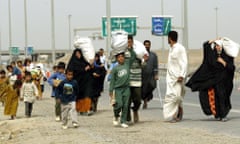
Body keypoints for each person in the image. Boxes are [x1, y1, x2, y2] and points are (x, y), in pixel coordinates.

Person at [186, 39, 235, 122]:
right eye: (216, 46)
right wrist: (213, 40)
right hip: (214, 81)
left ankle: (223, 115)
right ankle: (218, 114)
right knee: (214, 97)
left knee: (223, 97)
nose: (217, 47)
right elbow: (205, 45)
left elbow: (232, 68)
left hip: (224, 81)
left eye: (219, 45)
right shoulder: (212, 56)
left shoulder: (227, 56)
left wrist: (223, 62)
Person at [109, 35, 136, 128]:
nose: (121, 58)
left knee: (126, 105)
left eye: (122, 57)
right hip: (118, 89)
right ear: (117, 58)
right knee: (119, 104)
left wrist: (130, 48)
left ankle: (123, 121)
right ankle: (116, 115)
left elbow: (133, 57)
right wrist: (111, 92)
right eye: (119, 57)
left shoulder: (127, 64)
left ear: (124, 57)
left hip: (126, 88)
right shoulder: (115, 69)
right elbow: (112, 81)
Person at [163, 31, 188, 122]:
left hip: (178, 78)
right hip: (170, 78)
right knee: (170, 96)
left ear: (170, 38)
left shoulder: (180, 48)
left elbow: (184, 62)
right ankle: (175, 113)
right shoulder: (171, 49)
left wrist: (182, 75)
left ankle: (175, 114)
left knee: (176, 96)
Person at [126, 35, 147, 123]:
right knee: (127, 100)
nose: (129, 43)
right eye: (128, 42)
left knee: (137, 99)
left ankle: (135, 110)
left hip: (136, 79)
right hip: (127, 80)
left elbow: (143, 66)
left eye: (130, 41)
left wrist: (144, 61)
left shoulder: (138, 52)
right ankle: (127, 117)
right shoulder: (124, 53)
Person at [67, 48, 93, 116]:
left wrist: (90, 66)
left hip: (85, 82)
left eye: (79, 53)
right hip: (76, 82)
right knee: (77, 96)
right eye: (77, 54)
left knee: (87, 95)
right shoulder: (72, 63)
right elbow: (70, 72)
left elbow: (90, 68)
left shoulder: (84, 61)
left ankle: (86, 109)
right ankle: (78, 109)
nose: (78, 55)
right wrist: (83, 69)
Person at [142, 40, 159, 109]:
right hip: (143, 75)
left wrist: (156, 74)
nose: (147, 46)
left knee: (153, 86)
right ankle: (145, 101)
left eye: (148, 45)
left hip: (151, 75)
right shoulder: (141, 55)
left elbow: (155, 65)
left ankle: (147, 98)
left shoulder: (153, 55)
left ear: (150, 46)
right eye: (145, 45)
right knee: (144, 89)